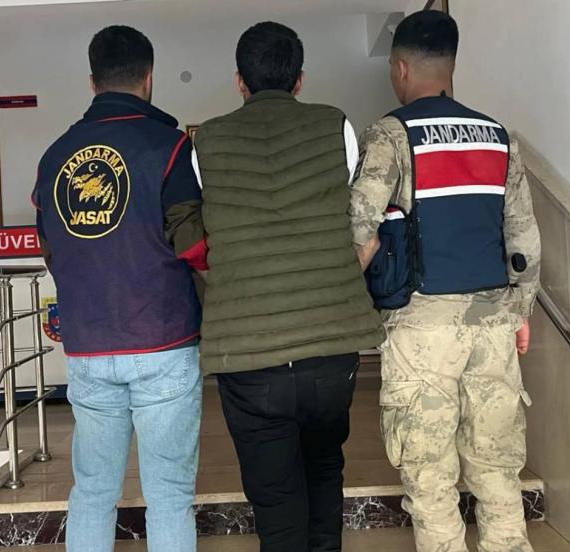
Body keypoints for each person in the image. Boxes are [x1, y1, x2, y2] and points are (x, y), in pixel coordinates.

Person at [350, 10, 541, 552]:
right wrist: (520, 312)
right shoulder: (498, 138)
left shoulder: (391, 135)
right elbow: (524, 240)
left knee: (430, 478)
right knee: (498, 469)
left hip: (421, 329)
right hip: (494, 324)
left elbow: (361, 230)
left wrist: (349, 305)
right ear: (451, 66)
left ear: (400, 67)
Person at [192, 21, 385, 552]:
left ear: (239, 81)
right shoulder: (335, 126)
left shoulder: (205, 141)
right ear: (300, 79)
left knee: (275, 497)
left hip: (248, 354)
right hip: (330, 346)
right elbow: (358, 218)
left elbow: (199, 232)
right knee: (324, 468)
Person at [31, 25, 207, 552]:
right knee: (169, 495)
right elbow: (194, 245)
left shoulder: (55, 156)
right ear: (149, 77)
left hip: (89, 346)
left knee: (92, 492)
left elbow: (50, 247)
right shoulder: (170, 148)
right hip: (164, 341)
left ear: (92, 81)